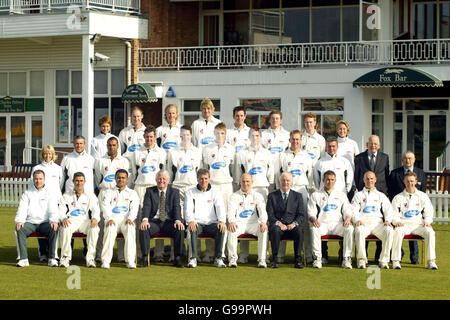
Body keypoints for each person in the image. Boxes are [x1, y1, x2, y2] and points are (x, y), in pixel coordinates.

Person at [234, 127, 274, 263]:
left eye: (257, 136)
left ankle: (264, 254)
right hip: (246, 188)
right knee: (243, 217)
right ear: (248, 137)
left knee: (263, 220)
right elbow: (238, 174)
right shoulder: (242, 153)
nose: (255, 138)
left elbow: (270, 175)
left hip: (262, 188)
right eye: (252, 135)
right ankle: (243, 254)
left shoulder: (267, 154)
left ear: (260, 137)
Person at [132, 125, 167, 261]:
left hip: (155, 187)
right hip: (140, 186)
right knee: (140, 219)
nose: (149, 139)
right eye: (147, 137)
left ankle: (159, 253)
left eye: (151, 137)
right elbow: (134, 171)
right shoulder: (137, 152)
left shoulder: (161, 152)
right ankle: (141, 253)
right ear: (144, 137)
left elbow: (163, 170)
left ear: (155, 137)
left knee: (160, 218)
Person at [278, 130, 314, 263]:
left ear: (301, 140)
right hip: (287, 190)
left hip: (301, 189)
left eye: (297, 139)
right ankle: (280, 255)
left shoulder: (306, 157)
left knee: (303, 222)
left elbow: (310, 177)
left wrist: (308, 191)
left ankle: (308, 255)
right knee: (282, 220)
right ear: (289, 139)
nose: (295, 141)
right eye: (293, 139)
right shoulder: (282, 156)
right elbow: (278, 175)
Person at [94, 136, 131, 262]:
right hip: (104, 192)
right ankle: (99, 254)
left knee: (120, 220)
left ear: (118, 146)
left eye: (114, 145)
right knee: (102, 224)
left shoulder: (124, 161)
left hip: (119, 192)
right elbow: (98, 178)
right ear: (107, 146)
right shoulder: (100, 161)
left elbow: (125, 178)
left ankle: (121, 255)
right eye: (109, 145)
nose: (112, 147)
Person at [202, 122, 235, 262]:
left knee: (226, 218)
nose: (219, 136)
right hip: (213, 185)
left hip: (226, 185)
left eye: (222, 133)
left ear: (225, 134)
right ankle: (210, 252)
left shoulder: (231, 149)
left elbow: (234, 170)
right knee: (210, 217)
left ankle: (225, 252)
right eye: (217, 133)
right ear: (213, 134)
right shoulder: (207, 149)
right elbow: (204, 168)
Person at [391, 172, 438, 270]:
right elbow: (394, 213)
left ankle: (431, 261)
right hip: (404, 224)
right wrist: (397, 222)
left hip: (418, 224)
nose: (410, 183)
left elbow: (429, 211)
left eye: (412, 181)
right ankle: (396, 261)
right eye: (407, 181)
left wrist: (427, 221)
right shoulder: (398, 197)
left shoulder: (422, 196)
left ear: (416, 182)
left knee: (430, 232)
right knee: (397, 231)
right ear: (404, 182)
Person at [308, 170, 354, 269]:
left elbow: (347, 209)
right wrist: (314, 220)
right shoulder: (316, 195)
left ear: (335, 181)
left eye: (332, 180)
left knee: (350, 229)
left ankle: (346, 259)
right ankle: (317, 259)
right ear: (323, 180)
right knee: (313, 229)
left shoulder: (341, 195)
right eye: (328, 180)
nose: (330, 182)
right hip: (322, 224)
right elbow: (311, 211)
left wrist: (348, 218)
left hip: (338, 224)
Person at [354, 135, 390, 262]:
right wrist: (362, 191)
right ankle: (363, 257)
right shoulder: (359, 158)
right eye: (371, 143)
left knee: (382, 226)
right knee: (363, 227)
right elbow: (357, 176)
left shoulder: (384, 157)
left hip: (380, 194)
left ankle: (378, 257)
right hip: (364, 194)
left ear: (379, 146)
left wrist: (385, 193)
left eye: (375, 144)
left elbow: (386, 176)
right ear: (366, 145)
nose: (373, 146)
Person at [139, 170, 185, 268]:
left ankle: (177, 258)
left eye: (164, 179)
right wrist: (145, 219)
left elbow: (177, 207)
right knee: (143, 228)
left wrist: (178, 220)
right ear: (156, 180)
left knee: (180, 229)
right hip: (154, 222)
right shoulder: (150, 191)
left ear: (168, 180)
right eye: (159, 178)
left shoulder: (174, 192)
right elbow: (146, 206)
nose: (161, 181)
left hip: (169, 222)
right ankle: (144, 258)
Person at [388, 151, 427, 264]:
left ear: (414, 160)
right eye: (405, 158)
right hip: (399, 209)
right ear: (402, 160)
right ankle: (398, 253)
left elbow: (423, 190)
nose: (408, 160)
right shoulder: (395, 173)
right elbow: (390, 190)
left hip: (414, 208)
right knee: (398, 231)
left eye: (410, 158)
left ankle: (414, 256)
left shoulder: (420, 173)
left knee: (414, 231)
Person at [15, 170, 59, 267]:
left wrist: (53, 220)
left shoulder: (49, 193)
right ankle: (23, 259)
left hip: (44, 223)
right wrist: (20, 220)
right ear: (33, 179)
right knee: (20, 229)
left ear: (44, 180)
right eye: (36, 179)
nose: (38, 181)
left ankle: (52, 258)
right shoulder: (27, 193)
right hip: (30, 223)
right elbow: (22, 208)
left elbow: (53, 209)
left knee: (54, 228)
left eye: (40, 179)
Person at [184, 169, 227, 268]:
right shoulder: (190, 192)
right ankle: (193, 258)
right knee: (191, 229)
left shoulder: (215, 192)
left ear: (209, 179)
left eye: (206, 179)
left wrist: (222, 221)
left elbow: (220, 207)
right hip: (197, 223)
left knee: (222, 229)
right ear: (197, 179)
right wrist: (190, 221)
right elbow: (187, 208)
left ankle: (218, 258)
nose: (203, 181)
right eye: (201, 179)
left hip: (212, 223)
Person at [351, 171, 394, 269]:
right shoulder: (358, 195)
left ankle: (384, 260)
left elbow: (388, 209)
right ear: (363, 180)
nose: (369, 181)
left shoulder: (381, 195)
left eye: (371, 179)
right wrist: (357, 219)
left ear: (375, 180)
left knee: (389, 230)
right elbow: (353, 209)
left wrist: (387, 220)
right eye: (367, 179)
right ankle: (361, 259)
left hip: (377, 223)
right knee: (358, 230)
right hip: (364, 223)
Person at [58, 172, 100, 268]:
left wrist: (94, 218)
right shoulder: (66, 196)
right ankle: (65, 258)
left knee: (94, 229)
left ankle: (90, 258)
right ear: (73, 181)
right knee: (65, 228)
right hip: (71, 221)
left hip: (84, 221)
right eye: (77, 181)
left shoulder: (90, 195)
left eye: (81, 181)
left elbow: (96, 210)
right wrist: (64, 218)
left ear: (85, 182)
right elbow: (61, 210)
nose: (79, 183)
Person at [227, 173, 268, 268]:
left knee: (263, 230)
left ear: (252, 182)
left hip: (253, 223)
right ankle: (232, 259)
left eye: (248, 181)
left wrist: (263, 222)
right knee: (231, 230)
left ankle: (262, 260)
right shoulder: (234, 196)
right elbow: (231, 211)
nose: (245, 183)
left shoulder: (258, 195)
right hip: (239, 223)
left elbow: (262, 210)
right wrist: (232, 221)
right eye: (243, 181)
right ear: (240, 182)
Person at [100, 169, 140, 269]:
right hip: (113, 219)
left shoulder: (132, 193)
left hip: (126, 220)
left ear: (127, 179)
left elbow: (134, 208)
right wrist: (109, 218)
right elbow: (105, 206)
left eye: (123, 178)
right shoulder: (109, 192)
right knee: (109, 229)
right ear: (115, 178)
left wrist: (131, 218)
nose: (120, 180)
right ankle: (105, 261)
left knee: (130, 229)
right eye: (118, 177)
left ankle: (130, 261)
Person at [31, 144, 63, 262]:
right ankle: (42, 253)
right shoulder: (36, 168)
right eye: (45, 153)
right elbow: (33, 185)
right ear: (42, 154)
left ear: (53, 155)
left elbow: (60, 184)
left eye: (49, 153)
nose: (47, 155)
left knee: (54, 227)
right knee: (41, 225)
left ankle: (53, 253)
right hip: (41, 202)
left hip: (55, 202)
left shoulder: (58, 169)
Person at [267, 172, 305, 269]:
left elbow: (301, 215)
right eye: (283, 180)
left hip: (292, 226)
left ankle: (298, 259)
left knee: (299, 230)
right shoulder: (272, 196)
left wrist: (294, 223)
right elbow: (270, 215)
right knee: (275, 230)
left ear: (291, 182)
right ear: (279, 182)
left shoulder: (298, 196)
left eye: (288, 180)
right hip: (278, 226)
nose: (285, 182)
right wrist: (279, 223)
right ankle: (274, 260)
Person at [261, 110, 290, 181]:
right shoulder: (263, 134)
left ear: (281, 121)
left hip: (282, 170)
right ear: (269, 120)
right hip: (267, 170)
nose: (275, 120)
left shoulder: (287, 135)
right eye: (273, 118)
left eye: (277, 118)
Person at [226, 106, 250, 191]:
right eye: (237, 116)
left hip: (246, 169)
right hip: (233, 170)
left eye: (241, 115)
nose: (239, 118)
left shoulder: (250, 132)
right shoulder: (228, 132)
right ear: (233, 116)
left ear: (245, 116)